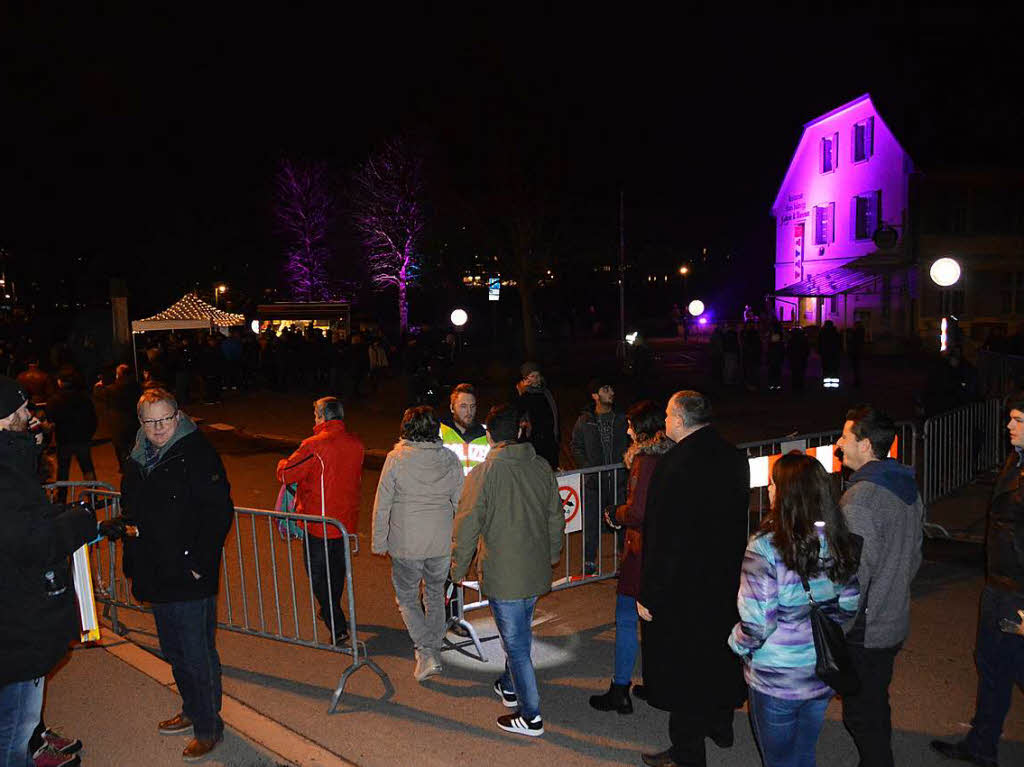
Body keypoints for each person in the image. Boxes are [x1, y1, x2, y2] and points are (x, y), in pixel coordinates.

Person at [109, 388, 234, 762]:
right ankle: (193, 708)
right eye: (150, 421)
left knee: (197, 654)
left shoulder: (197, 453)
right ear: (141, 423)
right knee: (175, 651)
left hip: (189, 573)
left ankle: (208, 727)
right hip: (155, 570)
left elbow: (218, 513)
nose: (159, 427)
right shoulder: (136, 457)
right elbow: (133, 507)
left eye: (165, 419)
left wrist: (198, 561)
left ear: (178, 416)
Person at [636, 391, 749, 767]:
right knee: (719, 656)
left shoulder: (675, 465)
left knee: (685, 672)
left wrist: (649, 594)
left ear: (681, 420)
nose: (665, 421)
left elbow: (664, 538)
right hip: (725, 582)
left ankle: (687, 753)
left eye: (668, 415)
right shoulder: (734, 457)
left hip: (683, 590)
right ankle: (721, 724)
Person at [729, 453, 862, 767]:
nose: (770, 489)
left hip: (777, 679)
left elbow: (758, 623)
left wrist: (736, 642)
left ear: (785, 493)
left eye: (773, 484)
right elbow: (850, 602)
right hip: (820, 672)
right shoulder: (836, 538)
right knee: (804, 755)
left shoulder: (764, 548)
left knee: (778, 760)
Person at [0, 377, 98, 767]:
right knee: (14, 733)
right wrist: (80, 523)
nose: (31, 415)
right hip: (15, 626)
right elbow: (31, 541)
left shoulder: (12, 463)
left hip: (14, 618)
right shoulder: (5, 475)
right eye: (22, 410)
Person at [451, 404, 565, 737]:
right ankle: (509, 685)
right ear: (519, 431)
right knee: (518, 635)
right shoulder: (541, 466)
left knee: (515, 645)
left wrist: (457, 569)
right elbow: (555, 516)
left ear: (489, 436)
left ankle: (531, 716)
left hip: (504, 573)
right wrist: (553, 554)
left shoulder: (483, 474)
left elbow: (467, 524)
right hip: (533, 569)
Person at [931, 392, 1024, 766]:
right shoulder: (1016, 462)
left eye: (1018, 420)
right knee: (992, 667)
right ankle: (981, 745)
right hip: (999, 585)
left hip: (1017, 593)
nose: (1008, 426)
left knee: (1012, 668)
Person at [835, 404, 923, 767]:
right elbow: (916, 554)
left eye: (844, 437)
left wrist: (837, 625)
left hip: (866, 628)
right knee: (874, 700)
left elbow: (853, 575)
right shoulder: (905, 485)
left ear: (867, 445)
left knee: (861, 714)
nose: (839, 446)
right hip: (893, 615)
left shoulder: (861, 499)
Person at [590, 400, 672, 715]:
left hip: (640, 553)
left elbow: (637, 511)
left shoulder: (644, 461)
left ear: (640, 430)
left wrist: (614, 513)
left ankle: (620, 689)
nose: (626, 430)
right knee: (656, 621)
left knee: (626, 619)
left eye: (630, 425)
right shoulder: (671, 455)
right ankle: (658, 683)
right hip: (663, 549)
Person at [372, 406, 464, 681]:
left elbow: (382, 504)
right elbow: (460, 502)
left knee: (408, 599)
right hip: (440, 543)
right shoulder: (449, 459)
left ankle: (425, 651)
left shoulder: (396, 459)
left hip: (406, 544)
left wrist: (379, 541)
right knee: (435, 595)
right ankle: (432, 649)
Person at [276, 397, 364, 645]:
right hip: (345, 522)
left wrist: (283, 463)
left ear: (322, 417)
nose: (314, 419)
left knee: (318, 576)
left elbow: (285, 473)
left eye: (315, 415)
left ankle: (336, 624)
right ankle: (329, 610)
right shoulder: (356, 444)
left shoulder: (313, 445)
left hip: (318, 522)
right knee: (336, 573)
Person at [438, 383, 490, 636]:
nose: (468, 411)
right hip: (445, 509)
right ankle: (444, 615)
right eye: (463, 406)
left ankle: (453, 616)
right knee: (445, 565)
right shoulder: (439, 433)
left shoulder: (486, 433)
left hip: (475, 509)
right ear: (452, 407)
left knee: (462, 564)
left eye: (472, 406)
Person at [571, 378, 628, 575]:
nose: (611, 391)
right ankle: (589, 562)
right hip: (594, 481)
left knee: (622, 519)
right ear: (595, 395)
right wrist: (587, 467)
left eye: (611, 387)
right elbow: (576, 446)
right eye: (605, 389)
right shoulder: (585, 420)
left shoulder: (621, 418)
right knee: (592, 522)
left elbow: (631, 443)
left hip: (618, 479)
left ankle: (624, 558)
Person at [45, 371, 98, 503]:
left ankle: (62, 496)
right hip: (82, 438)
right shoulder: (84, 398)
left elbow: (50, 420)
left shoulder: (55, 399)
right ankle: (93, 494)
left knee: (63, 469)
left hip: (64, 439)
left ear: (60, 382)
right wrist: (89, 434)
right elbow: (93, 418)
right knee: (87, 467)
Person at [515, 362, 559, 470]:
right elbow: (517, 416)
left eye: (537, 376)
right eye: (532, 376)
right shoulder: (524, 396)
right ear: (526, 378)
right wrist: (522, 392)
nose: (536, 379)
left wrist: (557, 437)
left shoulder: (546, 393)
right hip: (532, 443)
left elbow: (554, 415)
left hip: (549, 440)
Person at [107, 364, 142, 472]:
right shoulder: (136, 387)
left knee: (120, 446)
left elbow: (99, 393)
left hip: (119, 423)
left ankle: (124, 467)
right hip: (133, 420)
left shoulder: (113, 389)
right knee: (133, 444)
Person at [819, 320, 841, 389]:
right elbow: (839, 344)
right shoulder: (836, 333)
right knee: (834, 369)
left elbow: (819, 343)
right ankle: (834, 385)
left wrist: (820, 351)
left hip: (825, 354)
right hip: (834, 354)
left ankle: (826, 385)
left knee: (826, 369)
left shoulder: (822, 333)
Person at [787, 326, 810, 392]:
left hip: (794, 359)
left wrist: (790, 357)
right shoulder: (804, 339)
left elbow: (789, 350)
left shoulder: (791, 340)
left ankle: (795, 386)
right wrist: (805, 356)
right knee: (801, 373)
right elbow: (807, 349)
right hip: (802, 358)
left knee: (794, 373)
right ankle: (800, 386)